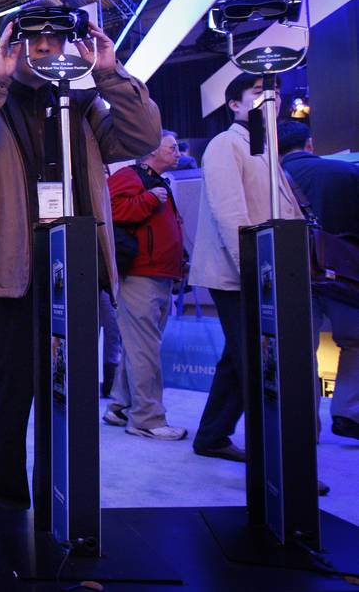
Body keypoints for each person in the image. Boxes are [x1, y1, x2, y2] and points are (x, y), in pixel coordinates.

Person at [0, 9, 161, 510]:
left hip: (76, 272)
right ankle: (1, 515)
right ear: (11, 46)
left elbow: (144, 139)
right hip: (7, 275)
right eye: (30, 38)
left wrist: (108, 71)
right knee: (2, 406)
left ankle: (64, 511)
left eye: (54, 38)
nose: (42, 47)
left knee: (72, 404)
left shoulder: (84, 106)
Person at [189, 72, 302, 462]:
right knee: (258, 362)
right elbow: (230, 214)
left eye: (274, 92)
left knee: (240, 360)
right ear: (234, 104)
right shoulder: (225, 145)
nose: (271, 98)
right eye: (258, 92)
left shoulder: (263, 147)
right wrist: (254, 272)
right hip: (241, 275)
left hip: (263, 272)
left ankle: (211, 436)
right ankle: (279, 462)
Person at [103, 131, 188, 440]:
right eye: (172, 148)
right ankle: (147, 419)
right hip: (140, 274)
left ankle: (121, 406)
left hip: (157, 274)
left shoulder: (158, 180)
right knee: (145, 349)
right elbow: (109, 212)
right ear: (152, 152)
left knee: (138, 346)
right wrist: (149, 200)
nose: (178, 153)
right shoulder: (131, 176)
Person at [278, 120, 359, 441]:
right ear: (309, 144)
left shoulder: (270, 181)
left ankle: (303, 424)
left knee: (299, 350)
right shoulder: (345, 174)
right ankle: (348, 413)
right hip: (343, 275)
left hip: (289, 275)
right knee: (354, 343)